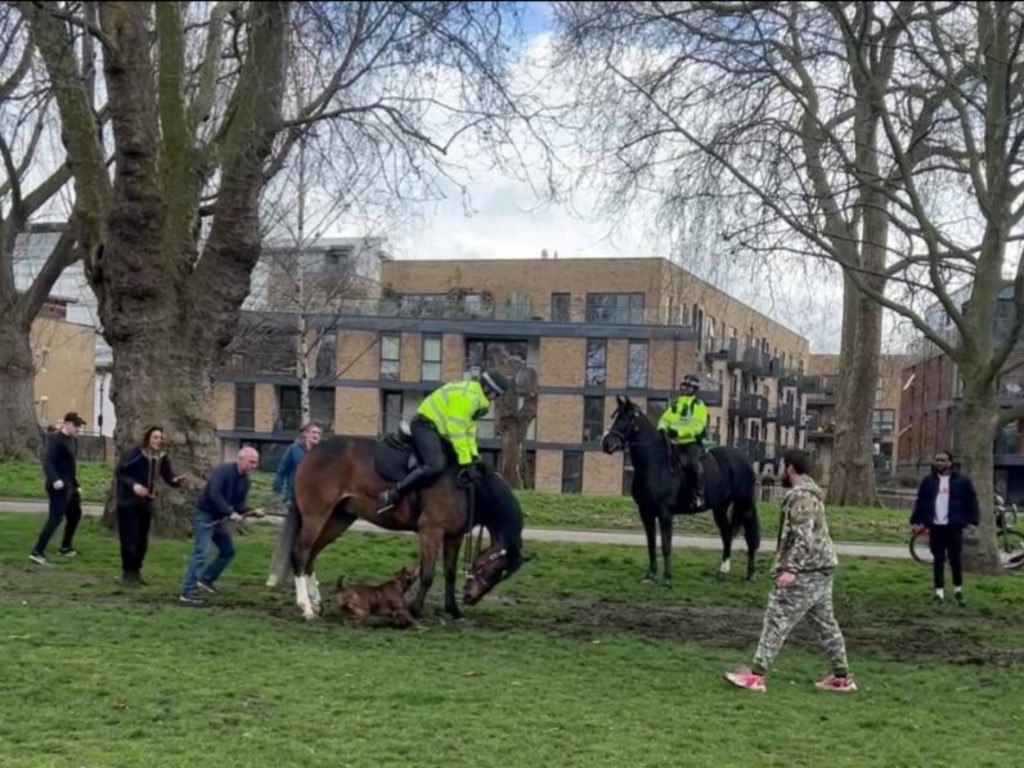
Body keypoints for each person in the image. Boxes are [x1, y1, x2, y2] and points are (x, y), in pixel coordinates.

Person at [725, 448, 856, 694]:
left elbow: (802, 536)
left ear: (789, 468)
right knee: (825, 624)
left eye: (782, 466)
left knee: (777, 618)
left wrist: (791, 569)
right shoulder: (811, 493)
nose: (780, 470)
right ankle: (842, 677)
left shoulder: (801, 497)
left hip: (807, 571)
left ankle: (756, 676)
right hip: (821, 568)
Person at [376, 369, 510, 513]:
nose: (495, 398)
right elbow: (456, 430)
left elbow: (469, 429)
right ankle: (392, 495)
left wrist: (473, 457)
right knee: (435, 465)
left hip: (438, 429)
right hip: (425, 425)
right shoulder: (468, 397)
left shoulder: (476, 399)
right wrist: (465, 460)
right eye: (496, 394)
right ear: (487, 388)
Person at [179, 446, 262, 604]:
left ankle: (206, 579)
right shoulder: (223, 472)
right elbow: (213, 495)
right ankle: (187, 592)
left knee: (227, 552)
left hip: (220, 519)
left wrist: (252, 511)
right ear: (241, 459)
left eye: (256, 463)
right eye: (251, 462)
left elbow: (239, 505)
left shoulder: (245, 482)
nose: (254, 466)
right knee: (200, 554)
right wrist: (230, 512)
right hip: (205, 516)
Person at [113, 426, 186, 586]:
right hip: (128, 502)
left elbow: (168, 475)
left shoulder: (161, 457)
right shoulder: (135, 454)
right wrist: (134, 486)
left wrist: (175, 481)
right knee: (129, 539)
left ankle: (137, 571)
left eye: (160, 437)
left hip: (146, 502)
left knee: (142, 540)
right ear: (147, 438)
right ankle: (128, 573)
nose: (158, 440)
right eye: (155, 437)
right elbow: (120, 472)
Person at [909, 450, 980, 606]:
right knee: (938, 560)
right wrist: (915, 521)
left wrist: (973, 522)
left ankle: (958, 590)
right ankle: (939, 593)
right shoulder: (928, 481)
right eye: (937, 460)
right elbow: (921, 502)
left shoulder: (962, 481)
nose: (939, 463)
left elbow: (972, 502)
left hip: (954, 526)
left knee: (955, 559)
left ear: (950, 462)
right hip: (936, 526)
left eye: (942, 460)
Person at [30, 412, 87, 564]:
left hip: (70, 484)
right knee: (55, 518)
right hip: (58, 485)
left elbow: (70, 465)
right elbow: (47, 461)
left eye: (79, 427)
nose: (78, 429)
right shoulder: (54, 439)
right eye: (76, 426)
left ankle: (66, 547)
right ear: (67, 424)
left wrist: (76, 485)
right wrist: (54, 479)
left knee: (75, 513)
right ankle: (37, 551)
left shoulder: (72, 441)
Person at [657, 373, 709, 507]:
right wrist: (662, 428)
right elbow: (665, 418)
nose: (684, 389)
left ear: (694, 389)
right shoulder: (676, 403)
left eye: (688, 386)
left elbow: (697, 426)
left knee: (693, 464)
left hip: (691, 443)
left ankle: (699, 495)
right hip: (674, 443)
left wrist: (678, 432)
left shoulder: (698, 405)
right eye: (683, 385)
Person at [272, 423, 322, 509]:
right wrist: (278, 489)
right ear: (305, 434)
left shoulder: (321, 453)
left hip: (314, 497)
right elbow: (282, 469)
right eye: (314, 432)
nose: (316, 435)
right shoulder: (294, 449)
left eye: (319, 433)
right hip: (294, 495)